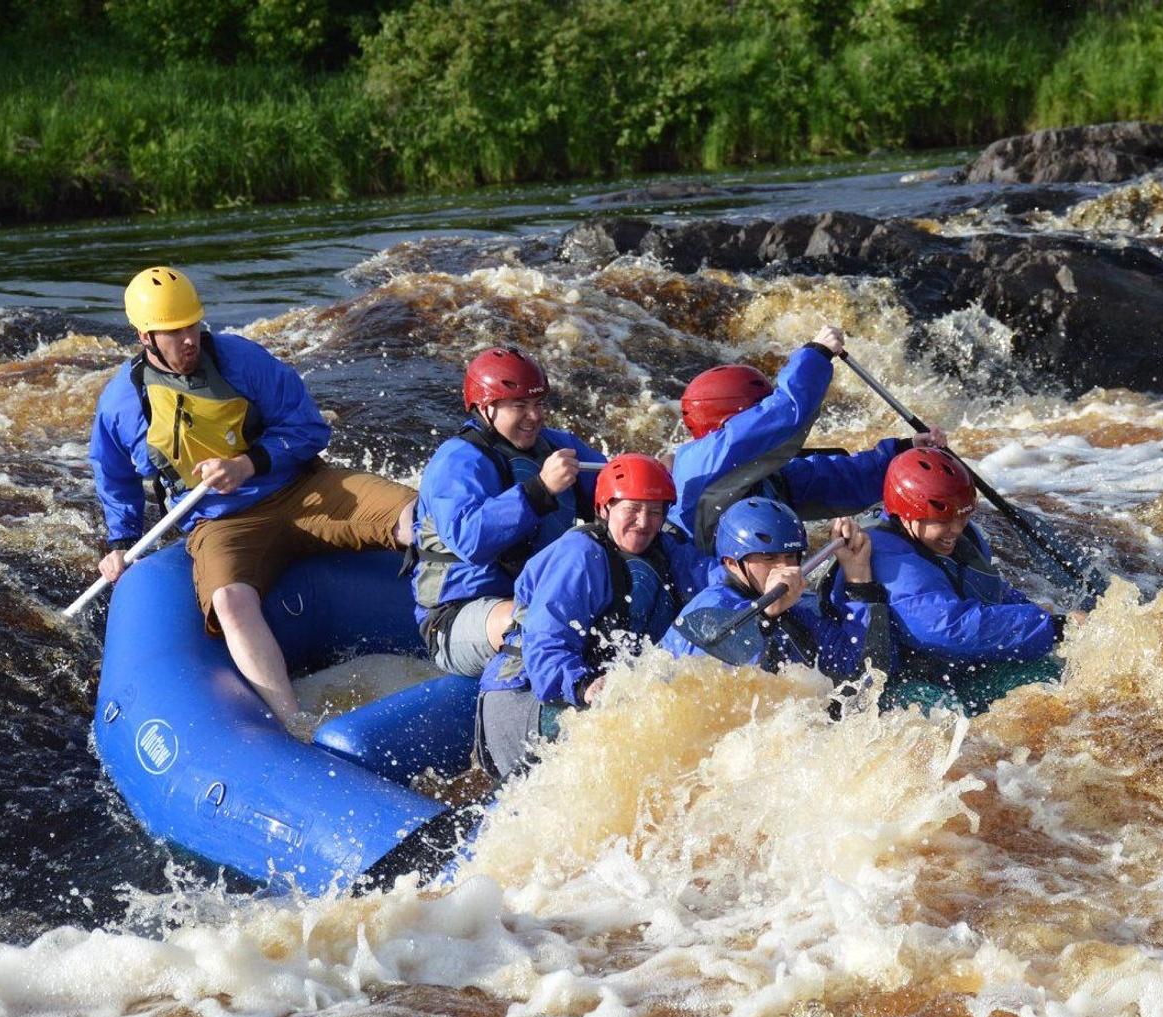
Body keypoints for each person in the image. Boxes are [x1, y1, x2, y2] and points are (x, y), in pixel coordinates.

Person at [89, 266, 417, 732]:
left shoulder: (241, 360)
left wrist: (248, 463)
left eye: (192, 326)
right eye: (174, 332)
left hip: (301, 488)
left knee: (414, 513)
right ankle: (295, 725)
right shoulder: (123, 403)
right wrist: (120, 540)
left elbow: (309, 428)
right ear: (145, 336)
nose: (189, 340)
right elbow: (113, 473)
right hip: (221, 523)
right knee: (229, 602)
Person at [474, 454, 713, 780]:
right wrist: (584, 684)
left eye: (655, 511)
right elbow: (545, 641)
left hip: (590, 698)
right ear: (604, 509)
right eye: (632, 509)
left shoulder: (666, 548)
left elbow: (715, 582)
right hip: (526, 700)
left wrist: (757, 577)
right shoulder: (580, 556)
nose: (644, 522)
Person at [411, 347, 608, 677]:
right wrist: (540, 490)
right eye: (520, 406)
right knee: (533, 621)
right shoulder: (456, 461)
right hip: (459, 616)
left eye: (538, 404)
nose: (535, 416)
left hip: (543, 597)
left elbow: (615, 486)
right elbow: (470, 540)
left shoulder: (557, 446)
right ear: (487, 409)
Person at [669, 324, 946, 554]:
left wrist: (903, 456)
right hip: (709, 598)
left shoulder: (758, 478)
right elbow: (786, 417)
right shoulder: (703, 464)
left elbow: (833, 479)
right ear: (732, 421)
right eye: (758, 411)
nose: (762, 418)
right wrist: (816, 355)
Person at [866, 448, 1072, 715]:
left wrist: (1045, 615)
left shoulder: (951, 538)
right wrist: (1049, 628)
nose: (957, 529)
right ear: (906, 515)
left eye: (963, 517)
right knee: (948, 718)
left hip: (953, 671)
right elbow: (945, 628)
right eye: (944, 521)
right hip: (900, 687)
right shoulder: (890, 559)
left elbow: (990, 591)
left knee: (1052, 676)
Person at [662, 498, 892, 689]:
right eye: (769, 558)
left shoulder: (797, 611)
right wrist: (765, 619)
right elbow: (723, 682)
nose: (785, 568)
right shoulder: (708, 608)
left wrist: (858, 578)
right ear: (732, 564)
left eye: (791, 557)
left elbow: (862, 670)